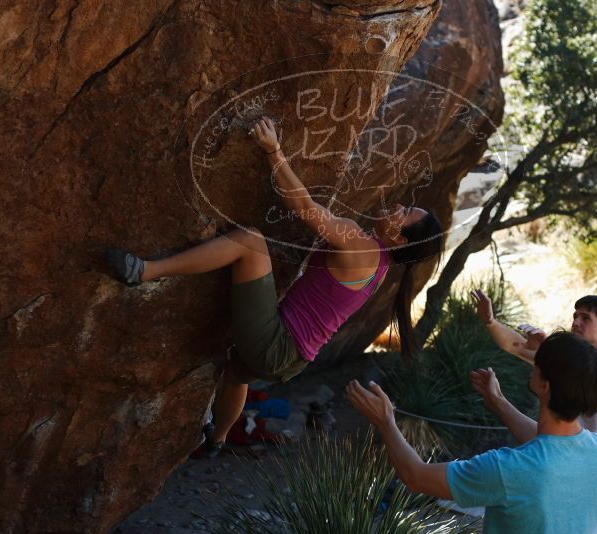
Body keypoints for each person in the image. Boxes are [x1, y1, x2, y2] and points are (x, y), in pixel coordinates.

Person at [106, 116, 443, 457]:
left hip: (278, 344)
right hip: (294, 359)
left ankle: (146, 271)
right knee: (237, 374)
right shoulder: (380, 266)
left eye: (406, 213)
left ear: (398, 238)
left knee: (250, 241)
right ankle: (217, 439)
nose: (399, 206)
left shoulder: (362, 246)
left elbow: (303, 207)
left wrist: (274, 150)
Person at [346, 332, 597, 533]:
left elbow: (416, 476)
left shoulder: (508, 469)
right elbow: (552, 446)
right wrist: (498, 402)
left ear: (545, 386)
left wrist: (385, 421)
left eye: (537, 364)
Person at [471, 291, 597, 534]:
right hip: (571, 480)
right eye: (575, 316)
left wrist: (553, 348)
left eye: (585, 318)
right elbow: (515, 346)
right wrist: (490, 321)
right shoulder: (567, 365)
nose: (576, 322)